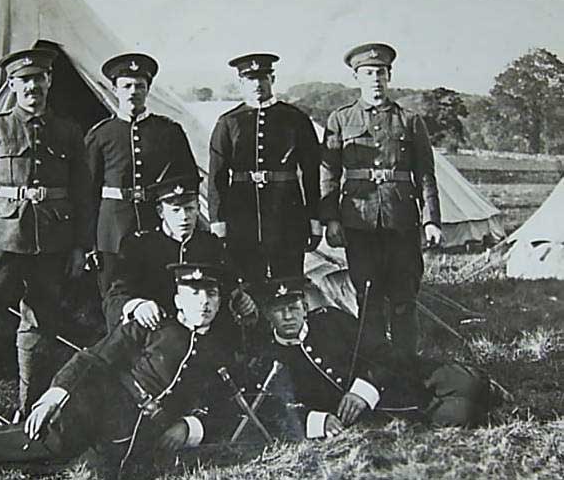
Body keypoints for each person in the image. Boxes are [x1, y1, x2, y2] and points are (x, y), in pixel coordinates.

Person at [0, 263, 237, 476]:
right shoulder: (152, 325)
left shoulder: (217, 349)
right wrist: (53, 398)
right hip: (100, 401)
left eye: (211, 293)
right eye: (194, 293)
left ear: (220, 302)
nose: (204, 302)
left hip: (138, 429)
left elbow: (221, 402)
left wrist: (188, 426)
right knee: (51, 443)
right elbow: (94, 358)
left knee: (67, 467)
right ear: (178, 299)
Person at [0, 47, 93, 421]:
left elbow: (82, 194)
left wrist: (80, 247)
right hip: (1, 239)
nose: (33, 86)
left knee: (41, 324)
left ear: (49, 81)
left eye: (39, 78)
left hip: (52, 243)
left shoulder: (68, 131)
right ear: (12, 85)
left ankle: (28, 406)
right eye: (25, 80)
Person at [259, 276, 494, 440]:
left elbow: (381, 351)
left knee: (473, 382)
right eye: (279, 311)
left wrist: (362, 390)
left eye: (293, 307)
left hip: (393, 376)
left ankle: (488, 391)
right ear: (269, 316)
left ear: (305, 306)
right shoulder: (268, 356)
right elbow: (273, 407)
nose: (288, 316)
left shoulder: (330, 320)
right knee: (466, 414)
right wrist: (316, 421)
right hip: (385, 407)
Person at [320, 43, 442, 357]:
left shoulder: (410, 120)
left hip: (401, 220)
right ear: (356, 77)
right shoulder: (340, 119)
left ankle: (405, 366)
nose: (375, 79)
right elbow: (329, 174)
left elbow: (425, 174)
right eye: (368, 73)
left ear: (389, 77)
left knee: (404, 297)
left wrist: (431, 220)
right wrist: (331, 219)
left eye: (381, 73)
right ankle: (374, 368)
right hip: (358, 222)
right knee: (368, 296)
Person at [85, 53, 199, 299]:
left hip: (155, 223)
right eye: (126, 85)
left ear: (148, 90)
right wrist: (89, 240)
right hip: (113, 228)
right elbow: (87, 192)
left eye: (139, 86)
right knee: (115, 292)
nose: (133, 91)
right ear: (114, 89)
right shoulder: (101, 135)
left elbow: (188, 180)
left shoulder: (169, 131)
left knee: (160, 287)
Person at [208, 53, 323, 282]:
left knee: (289, 282)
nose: (257, 84)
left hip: (286, 215)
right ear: (241, 82)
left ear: (273, 78)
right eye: (250, 79)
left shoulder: (295, 119)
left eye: (263, 78)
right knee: (249, 283)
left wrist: (314, 221)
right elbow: (217, 177)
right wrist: (218, 222)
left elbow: (311, 174)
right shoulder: (228, 122)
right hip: (242, 216)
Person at [102, 173, 257, 331]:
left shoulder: (211, 245)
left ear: (198, 208)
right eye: (176, 210)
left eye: (189, 209)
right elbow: (114, 298)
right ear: (161, 212)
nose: (184, 217)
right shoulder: (140, 247)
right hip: (158, 337)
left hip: (205, 339)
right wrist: (137, 306)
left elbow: (231, 286)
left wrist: (241, 299)